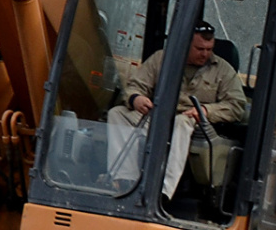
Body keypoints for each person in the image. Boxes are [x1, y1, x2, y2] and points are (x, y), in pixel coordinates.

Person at [105, 21, 249, 197]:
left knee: (182, 122)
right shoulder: (161, 59)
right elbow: (135, 86)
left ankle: (163, 191)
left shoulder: (224, 70)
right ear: (186, 44)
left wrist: (205, 111)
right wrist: (136, 99)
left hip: (195, 125)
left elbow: (236, 106)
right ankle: (125, 180)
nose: (205, 54)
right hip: (158, 118)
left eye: (209, 49)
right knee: (117, 114)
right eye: (199, 49)